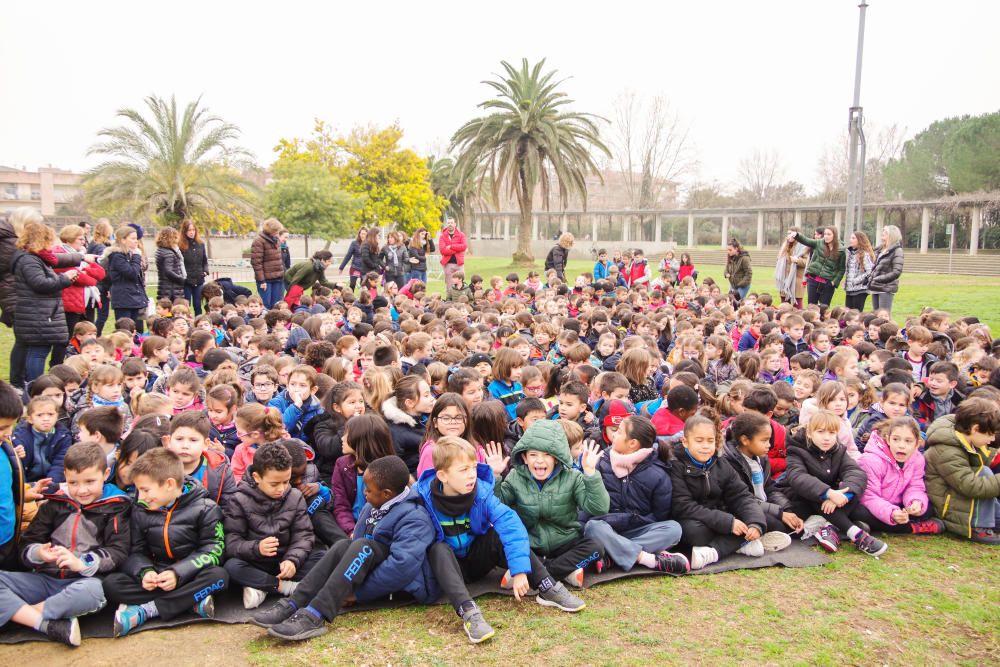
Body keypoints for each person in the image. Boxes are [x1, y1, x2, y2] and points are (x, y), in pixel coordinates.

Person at [420, 436, 586, 644]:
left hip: (475, 560)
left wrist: (518, 570)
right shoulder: (422, 498)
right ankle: (469, 613)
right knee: (438, 549)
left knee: (497, 534)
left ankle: (547, 586)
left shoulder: (481, 492)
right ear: (442, 475)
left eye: (473, 468)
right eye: (463, 470)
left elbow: (511, 525)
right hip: (446, 569)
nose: (471, 475)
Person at [252, 456, 437, 641]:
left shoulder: (415, 517)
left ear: (387, 493)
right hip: (365, 567)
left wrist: (357, 594)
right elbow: (353, 547)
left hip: (400, 585)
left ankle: (315, 614)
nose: (364, 493)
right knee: (343, 545)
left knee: (363, 546)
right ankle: (293, 603)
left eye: (369, 490)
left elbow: (401, 567)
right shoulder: (374, 505)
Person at [0, 442, 131, 647]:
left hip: (83, 581)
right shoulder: (55, 503)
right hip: (44, 579)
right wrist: (39, 554)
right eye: (74, 482)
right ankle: (47, 624)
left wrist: (81, 562)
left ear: (105, 474)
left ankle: (26, 616)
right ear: (65, 477)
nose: (82, 490)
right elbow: (27, 545)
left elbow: (118, 551)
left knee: (94, 592)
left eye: (90, 481)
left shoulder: (116, 506)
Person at [102, 448, 227, 637]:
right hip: (157, 575)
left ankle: (147, 610)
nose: (140, 496)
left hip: (190, 575)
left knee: (219, 577)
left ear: (169, 484)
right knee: (111, 584)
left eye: (145, 490)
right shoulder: (139, 510)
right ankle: (190, 602)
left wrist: (178, 573)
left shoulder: (205, 508)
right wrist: (145, 572)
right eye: (138, 490)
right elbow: (135, 551)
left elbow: (214, 550)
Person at [495, 419, 609, 589]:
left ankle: (537, 574)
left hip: (565, 543)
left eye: (547, 454)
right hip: (529, 546)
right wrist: (495, 477)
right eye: (533, 455)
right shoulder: (515, 477)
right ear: (524, 458)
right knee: (497, 544)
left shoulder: (573, 477)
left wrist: (591, 473)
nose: (540, 461)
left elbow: (599, 508)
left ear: (556, 458)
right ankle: (563, 571)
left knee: (596, 547)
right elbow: (498, 506)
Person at [582, 414, 689, 574]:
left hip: (639, 528)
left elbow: (660, 515)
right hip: (606, 527)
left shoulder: (657, 473)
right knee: (592, 527)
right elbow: (590, 502)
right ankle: (649, 560)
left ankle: (612, 556)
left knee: (674, 529)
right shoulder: (602, 462)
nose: (614, 434)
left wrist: (633, 521)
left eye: (619, 432)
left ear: (632, 443)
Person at [223, 442, 321, 610]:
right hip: (255, 562)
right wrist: (256, 548)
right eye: (274, 484)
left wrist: (292, 560)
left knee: (322, 557)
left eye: (286, 481)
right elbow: (231, 542)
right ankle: (284, 587)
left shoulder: (295, 496)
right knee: (231, 567)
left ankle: (262, 587)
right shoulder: (238, 499)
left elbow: (303, 535)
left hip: (285, 562)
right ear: (256, 477)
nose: (281, 489)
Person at [778, 410, 888, 557]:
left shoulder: (838, 450)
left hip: (828, 503)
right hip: (798, 498)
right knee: (815, 498)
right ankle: (855, 533)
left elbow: (856, 473)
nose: (827, 438)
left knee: (857, 504)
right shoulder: (796, 449)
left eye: (831, 433)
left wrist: (844, 495)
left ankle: (829, 527)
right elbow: (798, 477)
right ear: (810, 433)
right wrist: (828, 493)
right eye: (821, 432)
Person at [668, 415, 768, 570]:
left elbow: (741, 495)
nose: (706, 446)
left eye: (710, 440)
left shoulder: (721, 463)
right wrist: (727, 522)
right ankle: (737, 544)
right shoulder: (675, 465)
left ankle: (717, 550)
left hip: (719, 515)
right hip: (693, 519)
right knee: (696, 533)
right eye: (699, 440)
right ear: (685, 442)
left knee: (760, 519)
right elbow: (683, 506)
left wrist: (754, 523)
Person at [924, 398, 1000, 544]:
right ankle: (980, 528)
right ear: (975, 429)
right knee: (984, 472)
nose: (992, 439)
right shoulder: (947, 451)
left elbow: (980, 457)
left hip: (962, 502)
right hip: (949, 507)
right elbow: (970, 486)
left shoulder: (966, 438)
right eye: (990, 434)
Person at [11, 221, 78, 384]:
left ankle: (31, 384)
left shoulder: (33, 258)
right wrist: (64, 278)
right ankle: (35, 385)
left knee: (38, 349)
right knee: (38, 351)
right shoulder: (29, 260)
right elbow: (40, 284)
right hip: (37, 312)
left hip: (39, 310)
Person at [855, 417, 944, 535]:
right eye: (896, 439)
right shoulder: (870, 460)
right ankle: (911, 528)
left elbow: (915, 486)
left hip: (899, 505)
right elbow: (868, 496)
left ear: (917, 444)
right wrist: (891, 512)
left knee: (927, 508)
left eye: (908, 441)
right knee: (857, 511)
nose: (901, 446)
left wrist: (915, 502)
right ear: (888, 439)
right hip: (875, 505)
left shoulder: (917, 459)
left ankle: (880, 526)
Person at [52, 225, 105, 366]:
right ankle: (57, 365)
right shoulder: (59, 252)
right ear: (70, 238)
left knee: (88, 336)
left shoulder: (82, 253)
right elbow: (84, 279)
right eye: (80, 238)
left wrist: (86, 269)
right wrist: (88, 273)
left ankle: (85, 363)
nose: (83, 241)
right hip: (70, 302)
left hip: (87, 301)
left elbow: (100, 274)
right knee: (66, 338)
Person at [106, 224, 148, 334]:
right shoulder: (117, 256)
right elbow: (132, 273)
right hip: (123, 298)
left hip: (134, 297)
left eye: (136, 238)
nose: (136, 241)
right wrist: (137, 257)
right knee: (125, 330)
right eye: (133, 238)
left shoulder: (129, 254)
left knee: (134, 330)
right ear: (123, 240)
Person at [788, 227, 845, 307]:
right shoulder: (818, 243)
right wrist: (797, 235)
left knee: (824, 307)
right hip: (813, 280)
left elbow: (842, 269)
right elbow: (806, 240)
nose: (826, 236)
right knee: (811, 307)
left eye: (829, 234)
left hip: (827, 283)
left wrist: (834, 282)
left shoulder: (841, 250)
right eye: (825, 234)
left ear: (834, 236)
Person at [867, 224, 905, 316]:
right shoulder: (880, 249)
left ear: (892, 235)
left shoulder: (897, 250)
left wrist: (879, 279)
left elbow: (897, 271)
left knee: (883, 316)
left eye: (885, 232)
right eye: (883, 231)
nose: (882, 233)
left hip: (886, 288)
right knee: (875, 316)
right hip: (875, 287)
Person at [250, 218, 286, 309]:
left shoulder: (276, 240)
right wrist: (262, 280)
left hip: (278, 278)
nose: (278, 232)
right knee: (266, 305)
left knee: (278, 305)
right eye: (276, 230)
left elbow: (279, 259)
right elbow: (256, 263)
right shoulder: (259, 241)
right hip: (266, 280)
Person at [179, 219, 209, 316]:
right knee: (186, 305)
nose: (191, 232)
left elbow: (204, 260)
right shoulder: (180, 245)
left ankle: (198, 323)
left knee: (197, 305)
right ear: (184, 231)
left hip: (199, 279)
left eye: (193, 230)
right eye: (189, 230)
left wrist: (205, 271)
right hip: (186, 281)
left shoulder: (201, 244)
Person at [774, 226, 809, 308]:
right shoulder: (784, 247)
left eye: (791, 233)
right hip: (784, 280)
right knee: (784, 305)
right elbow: (779, 260)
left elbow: (807, 262)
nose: (788, 236)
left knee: (797, 305)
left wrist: (797, 261)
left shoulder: (803, 247)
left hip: (796, 281)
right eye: (788, 234)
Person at [844, 231, 875, 311]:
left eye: (853, 238)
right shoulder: (851, 254)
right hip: (850, 289)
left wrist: (856, 280)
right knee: (848, 314)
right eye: (851, 238)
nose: (851, 240)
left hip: (860, 290)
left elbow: (870, 271)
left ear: (860, 240)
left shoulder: (865, 254)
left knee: (856, 315)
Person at [154, 226, 187, 302]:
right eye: (175, 238)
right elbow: (168, 271)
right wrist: (181, 279)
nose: (177, 240)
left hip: (165, 287)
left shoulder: (161, 250)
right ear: (170, 239)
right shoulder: (169, 253)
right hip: (171, 289)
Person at [438, 217, 467, 287]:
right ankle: (449, 298)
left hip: (459, 264)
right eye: (448, 223)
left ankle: (460, 298)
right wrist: (457, 249)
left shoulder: (461, 235)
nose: (450, 224)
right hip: (448, 264)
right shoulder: (442, 236)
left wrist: (451, 246)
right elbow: (443, 250)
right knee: (449, 286)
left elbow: (464, 246)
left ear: (455, 224)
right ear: (446, 224)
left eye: (451, 223)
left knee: (461, 284)